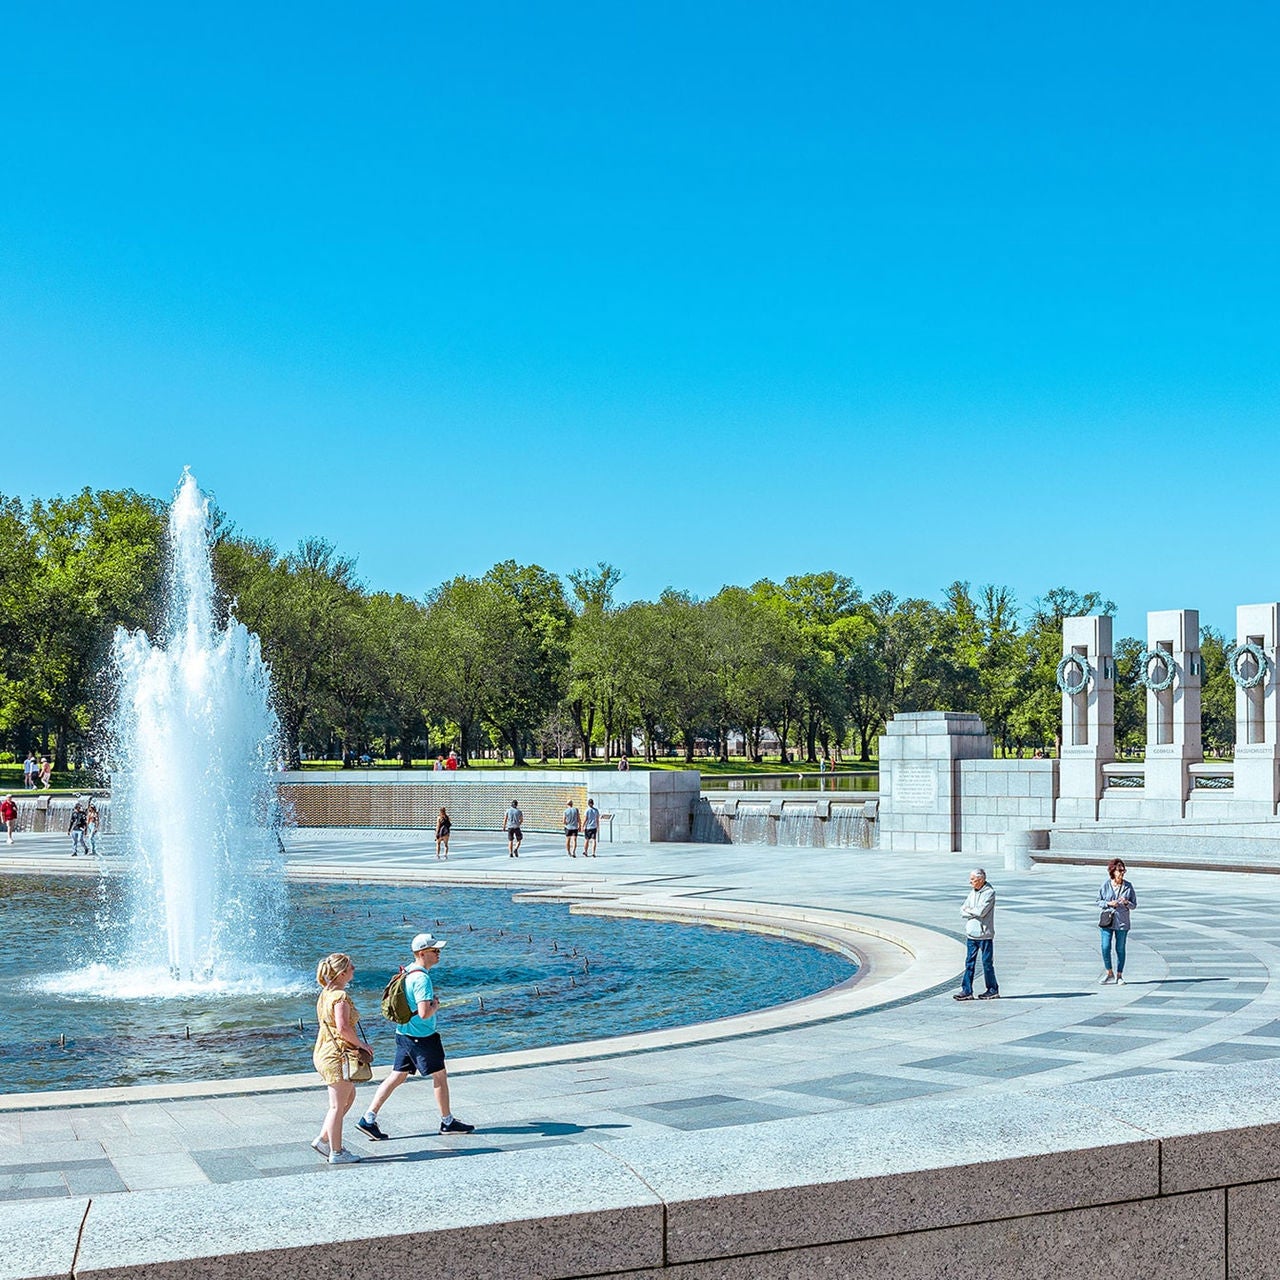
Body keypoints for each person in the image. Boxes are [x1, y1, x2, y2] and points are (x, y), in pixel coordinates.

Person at [357, 933, 473, 1140]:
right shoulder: (422, 979)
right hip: (422, 1036)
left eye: (438, 950)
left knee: (397, 1076)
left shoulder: (407, 971)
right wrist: (435, 1005)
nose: (439, 954)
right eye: (434, 950)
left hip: (403, 1034)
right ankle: (447, 1122)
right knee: (439, 1076)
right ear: (421, 953)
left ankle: (368, 1118)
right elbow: (424, 1013)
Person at [311, 951, 373, 1165]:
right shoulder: (340, 997)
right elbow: (344, 1028)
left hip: (324, 1050)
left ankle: (324, 1139)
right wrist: (362, 1045)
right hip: (336, 1055)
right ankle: (336, 1152)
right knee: (337, 1105)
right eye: (351, 967)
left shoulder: (326, 993)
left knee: (349, 1095)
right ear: (342, 973)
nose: (354, 969)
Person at [954, 868, 998, 1001]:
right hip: (971, 934)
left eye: (973, 879)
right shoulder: (972, 892)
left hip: (984, 934)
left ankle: (992, 989)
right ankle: (966, 990)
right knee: (969, 963)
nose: (970, 882)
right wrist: (971, 911)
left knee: (986, 963)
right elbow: (962, 910)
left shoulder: (989, 893)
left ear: (981, 880)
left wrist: (970, 911)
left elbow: (981, 912)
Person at [1098, 858, 1137, 984]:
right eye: (1119, 870)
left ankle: (1119, 975)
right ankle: (1109, 972)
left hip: (1122, 922)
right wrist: (1109, 903)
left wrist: (1127, 903)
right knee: (1105, 946)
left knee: (1120, 948)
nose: (1122, 873)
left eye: (1123, 870)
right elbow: (1098, 901)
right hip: (1107, 921)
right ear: (1112, 871)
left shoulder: (1128, 886)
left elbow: (1134, 905)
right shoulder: (1105, 885)